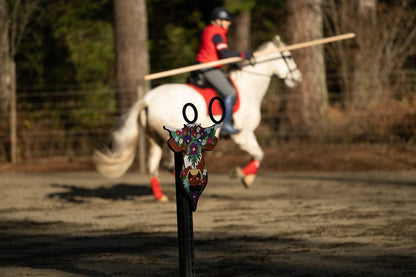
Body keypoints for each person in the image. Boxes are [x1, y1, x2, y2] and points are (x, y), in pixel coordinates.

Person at [196, 7, 253, 135]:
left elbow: (218, 54)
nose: (229, 23)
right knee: (230, 92)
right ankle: (226, 125)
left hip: (205, 64)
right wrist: (244, 54)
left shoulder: (208, 30)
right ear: (218, 20)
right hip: (208, 67)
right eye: (226, 20)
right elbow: (225, 54)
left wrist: (233, 63)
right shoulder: (217, 33)